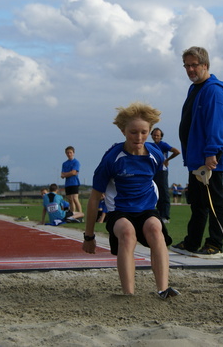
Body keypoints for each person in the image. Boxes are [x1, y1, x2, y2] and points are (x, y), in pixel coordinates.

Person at [82, 102, 180, 299]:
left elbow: (154, 183)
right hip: (120, 210)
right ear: (123, 130)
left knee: (155, 227)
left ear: (150, 131)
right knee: (127, 232)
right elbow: (94, 199)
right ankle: (128, 293)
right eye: (133, 132)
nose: (139, 137)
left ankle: (163, 289)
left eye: (144, 132)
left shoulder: (156, 155)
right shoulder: (112, 158)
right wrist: (89, 236)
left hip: (145, 209)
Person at [171, 46, 223, 259]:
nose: (190, 69)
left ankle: (215, 245)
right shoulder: (195, 89)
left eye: (194, 65)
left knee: (214, 202)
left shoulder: (213, 90)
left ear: (205, 65)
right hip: (196, 158)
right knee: (197, 203)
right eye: (186, 66)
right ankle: (192, 242)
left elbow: (215, 125)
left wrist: (211, 154)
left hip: (209, 159)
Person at [151, 127, 180, 223]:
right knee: (156, 193)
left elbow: (177, 151)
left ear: (161, 137)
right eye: (154, 135)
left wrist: (167, 160)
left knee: (164, 193)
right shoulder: (151, 146)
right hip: (154, 172)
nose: (156, 137)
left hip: (162, 172)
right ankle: (159, 214)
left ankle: (165, 216)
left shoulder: (163, 145)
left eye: (158, 135)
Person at [61, 146, 82, 213]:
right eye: (67, 153)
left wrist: (67, 174)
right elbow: (62, 175)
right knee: (70, 200)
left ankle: (80, 213)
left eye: (70, 152)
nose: (69, 154)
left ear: (73, 153)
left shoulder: (76, 162)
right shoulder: (64, 164)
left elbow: (74, 172)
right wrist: (70, 173)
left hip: (74, 183)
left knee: (75, 199)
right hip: (68, 183)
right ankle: (73, 214)